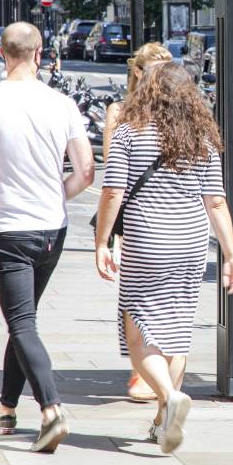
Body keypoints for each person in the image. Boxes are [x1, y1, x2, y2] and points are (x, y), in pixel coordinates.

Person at [0, 22, 95, 453]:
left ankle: (51, 410)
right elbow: (86, 171)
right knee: (24, 320)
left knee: (21, 322)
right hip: (52, 227)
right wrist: (58, 195)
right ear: (39, 54)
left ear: (2, 52)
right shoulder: (62, 103)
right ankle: (7, 408)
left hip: (10, 228)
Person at [94, 60, 233, 455]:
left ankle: (167, 396)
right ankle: (163, 421)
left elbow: (112, 192)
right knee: (176, 331)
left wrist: (102, 242)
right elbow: (216, 201)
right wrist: (231, 256)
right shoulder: (204, 139)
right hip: (192, 243)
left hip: (148, 240)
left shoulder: (130, 132)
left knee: (139, 328)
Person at [102, 42, 172, 403]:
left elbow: (115, 180)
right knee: (171, 305)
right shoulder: (187, 113)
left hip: (137, 220)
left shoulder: (120, 112)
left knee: (138, 300)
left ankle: (144, 375)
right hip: (177, 221)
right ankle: (163, 384)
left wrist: (106, 238)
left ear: (136, 72)